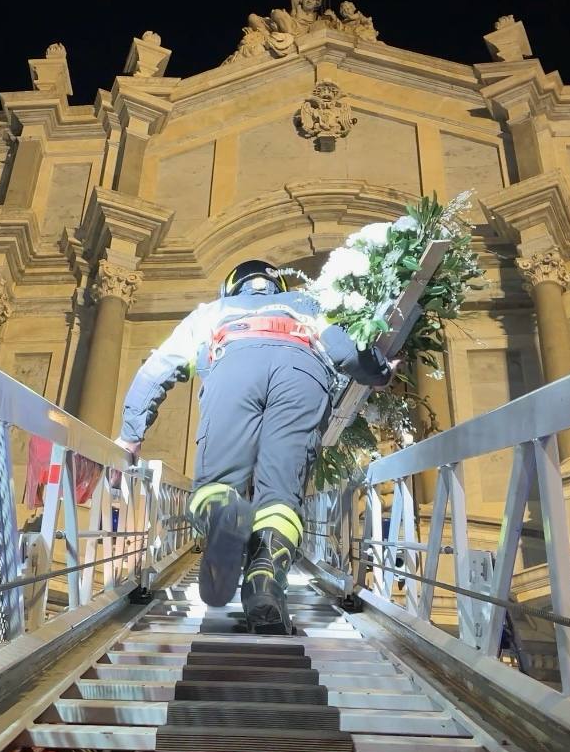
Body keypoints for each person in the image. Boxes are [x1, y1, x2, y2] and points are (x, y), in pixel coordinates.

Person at [115, 259, 396, 632]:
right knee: (280, 493)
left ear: (233, 285)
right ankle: (264, 580)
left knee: (218, 481)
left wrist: (131, 433)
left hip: (234, 360)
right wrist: (381, 372)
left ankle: (222, 513)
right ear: (274, 284)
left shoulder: (212, 312)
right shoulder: (303, 304)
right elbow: (345, 351)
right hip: (302, 373)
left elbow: (158, 369)